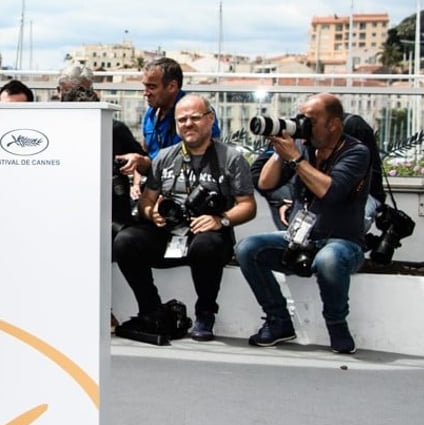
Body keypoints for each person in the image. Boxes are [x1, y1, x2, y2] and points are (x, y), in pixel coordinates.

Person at [235, 93, 370, 354]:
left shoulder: (356, 152)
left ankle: (336, 325)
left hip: (342, 242)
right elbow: (266, 183)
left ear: (333, 124)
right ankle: (278, 321)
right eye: (300, 119)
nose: (302, 126)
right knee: (247, 248)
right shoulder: (303, 146)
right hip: (299, 239)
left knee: (329, 260)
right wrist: (279, 153)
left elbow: (330, 192)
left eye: (310, 121)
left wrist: (296, 159)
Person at [113, 94, 256, 341]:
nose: (188, 124)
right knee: (125, 240)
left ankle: (205, 313)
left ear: (210, 119)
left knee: (207, 244)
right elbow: (147, 201)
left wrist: (220, 220)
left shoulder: (231, 158)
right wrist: (152, 213)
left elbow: (248, 206)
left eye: (195, 118)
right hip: (169, 234)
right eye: (182, 120)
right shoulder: (165, 157)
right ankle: (151, 309)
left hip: (209, 236)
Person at [251, 111, 385, 232]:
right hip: (301, 196)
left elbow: (372, 179)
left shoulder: (353, 127)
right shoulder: (293, 128)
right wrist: (283, 199)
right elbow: (257, 174)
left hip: (352, 195)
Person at [114, 56, 220, 189]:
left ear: (172, 86)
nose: (145, 93)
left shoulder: (198, 111)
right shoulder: (151, 114)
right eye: (145, 86)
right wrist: (138, 164)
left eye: (151, 87)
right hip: (156, 186)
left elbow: (213, 158)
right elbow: (151, 158)